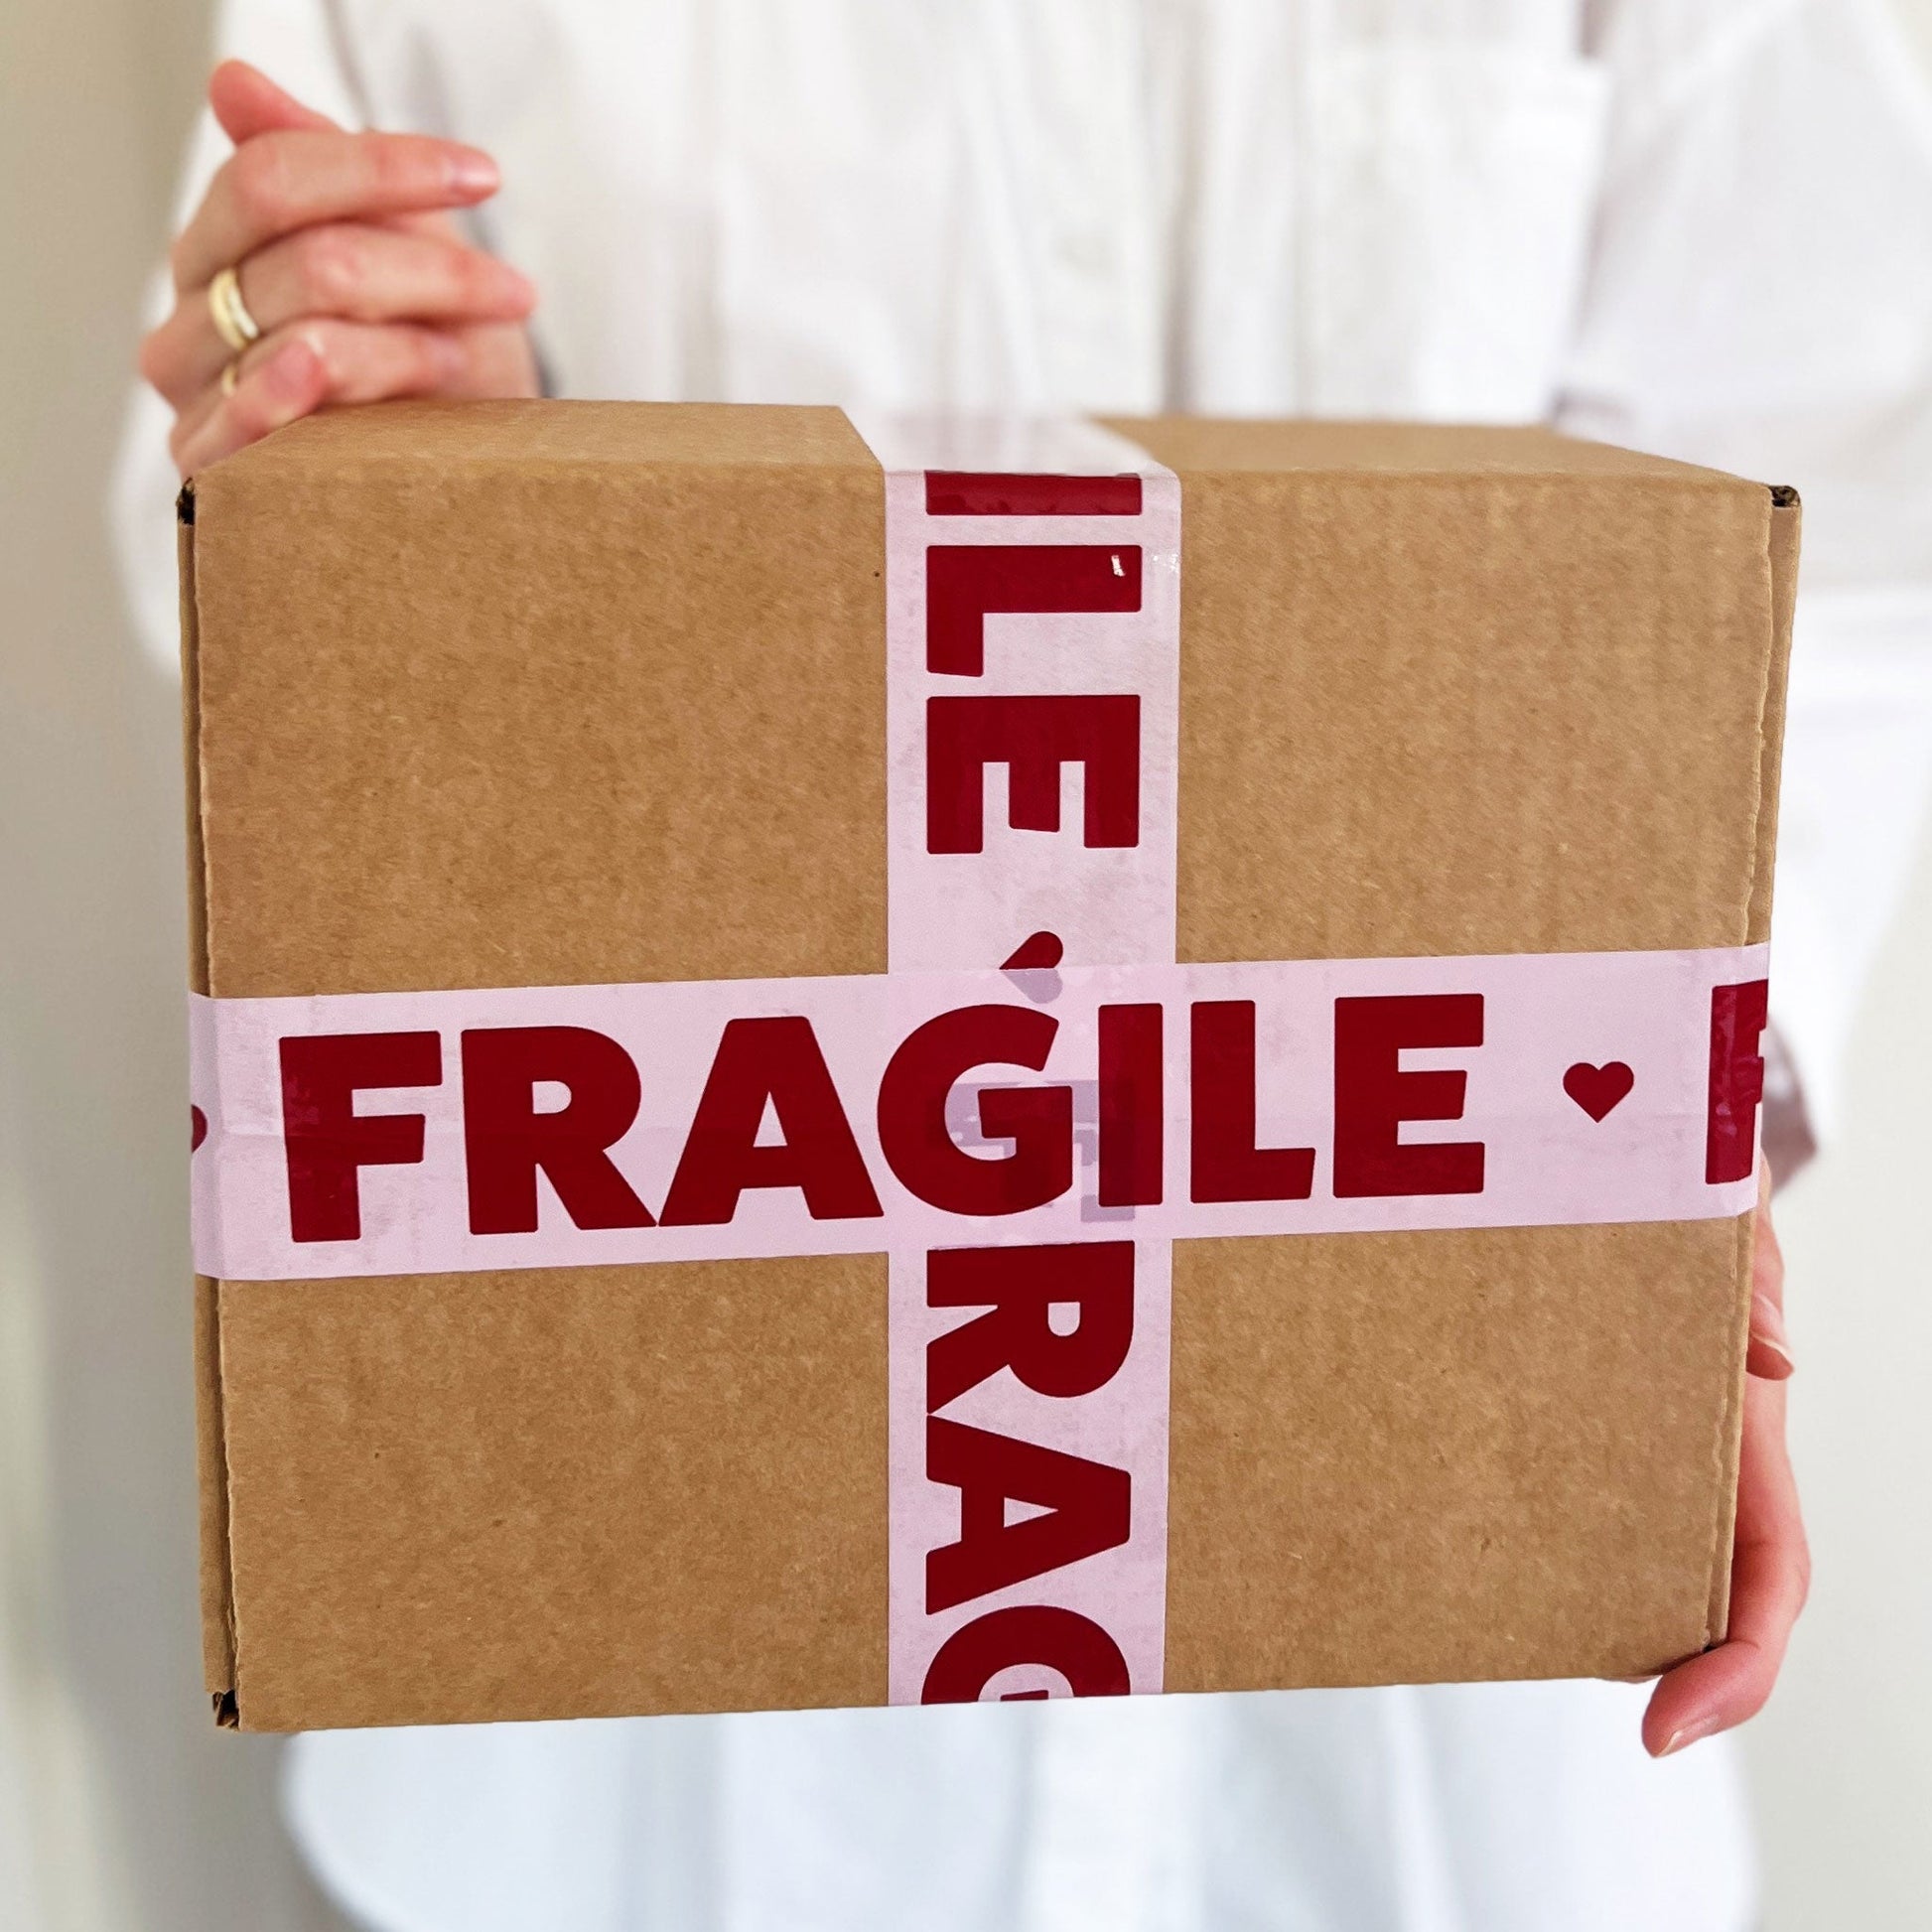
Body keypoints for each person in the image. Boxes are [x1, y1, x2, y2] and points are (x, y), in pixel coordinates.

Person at [114, 4, 1932, 1928]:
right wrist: (431, 515)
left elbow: (1830, 553)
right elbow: (226, 551)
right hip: (644, 1618)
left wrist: (1668, 1149)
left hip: (1421, 1619)